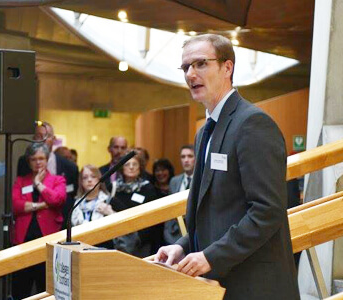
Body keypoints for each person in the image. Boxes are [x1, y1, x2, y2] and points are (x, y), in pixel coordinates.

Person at [154, 34, 299, 300]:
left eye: (200, 64)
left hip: (254, 285)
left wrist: (211, 256)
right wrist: (183, 247)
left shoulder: (252, 124)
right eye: (186, 67)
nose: (190, 74)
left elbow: (267, 211)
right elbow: (217, 212)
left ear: (227, 67)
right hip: (218, 284)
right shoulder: (204, 132)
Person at [12, 143, 66, 299]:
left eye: (41, 158)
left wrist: (38, 184)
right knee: (21, 288)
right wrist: (42, 205)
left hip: (48, 241)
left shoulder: (57, 180)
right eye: (33, 159)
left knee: (46, 288)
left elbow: (58, 200)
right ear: (28, 162)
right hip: (24, 241)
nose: (38, 162)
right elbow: (17, 205)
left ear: (47, 160)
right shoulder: (21, 181)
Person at [17, 122, 78, 228]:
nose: (43, 139)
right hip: (29, 223)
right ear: (33, 139)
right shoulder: (24, 162)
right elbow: (18, 198)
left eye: (47, 136)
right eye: (39, 136)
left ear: (54, 139)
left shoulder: (69, 166)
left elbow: (72, 196)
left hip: (60, 224)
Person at [107, 151, 162, 258]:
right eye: (127, 164)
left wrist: (140, 239)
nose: (131, 167)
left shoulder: (147, 188)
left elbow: (150, 217)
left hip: (140, 243)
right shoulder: (113, 188)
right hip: (116, 241)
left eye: (135, 164)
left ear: (140, 167)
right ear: (122, 168)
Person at [164, 145, 195, 244]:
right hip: (175, 235)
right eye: (183, 157)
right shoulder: (174, 181)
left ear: (196, 158)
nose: (186, 160)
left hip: (195, 234)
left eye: (190, 156)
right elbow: (169, 210)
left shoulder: (202, 181)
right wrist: (168, 234)